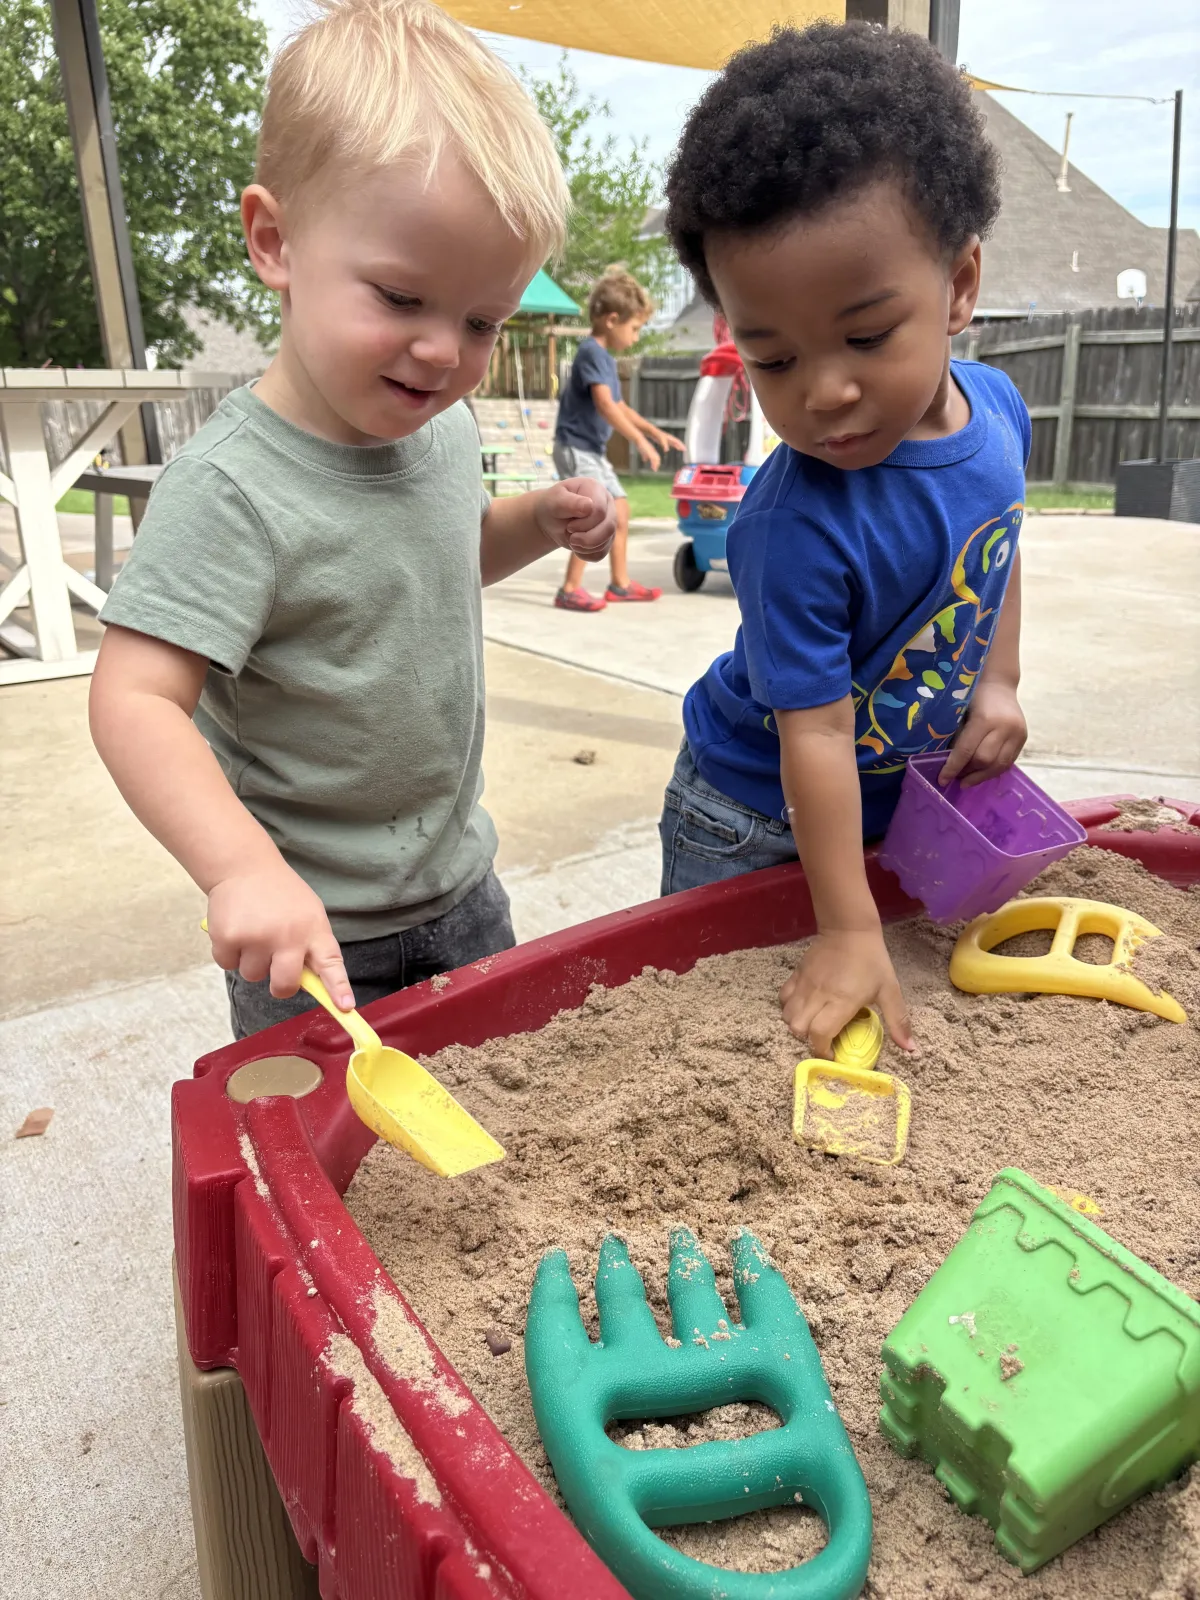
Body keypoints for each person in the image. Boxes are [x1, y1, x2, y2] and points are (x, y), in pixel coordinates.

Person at [89, 0, 616, 1039]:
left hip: (462, 882)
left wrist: (536, 522)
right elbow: (135, 697)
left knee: (493, 1122)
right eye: (400, 297)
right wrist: (242, 871)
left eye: (479, 321)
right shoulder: (232, 489)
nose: (439, 352)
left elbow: (440, 558)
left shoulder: (443, 433)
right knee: (328, 1164)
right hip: (312, 928)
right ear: (274, 241)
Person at [658, 22, 1030, 1058]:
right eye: (773, 360)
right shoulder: (791, 524)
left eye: (867, 335)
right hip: (747, 806)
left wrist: (996, 682)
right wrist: (847, 921)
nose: (824, 391)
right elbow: (810, 737)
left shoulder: (998, 417)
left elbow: (996, 552)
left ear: (959, 286)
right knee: (711, 1027)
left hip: (880, 802)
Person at [553, 268, 685, 612]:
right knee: (594, 514)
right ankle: (569, 589)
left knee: (621, 511)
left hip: (590, 451)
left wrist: (654, 433)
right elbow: (605, 404)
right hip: (576, 447)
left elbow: (621, 405)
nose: (637, 336)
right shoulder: (590, 353)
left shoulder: (606, 360)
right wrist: (638, 443)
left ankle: (620, 585)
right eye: (635, 328)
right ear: (613, 320)